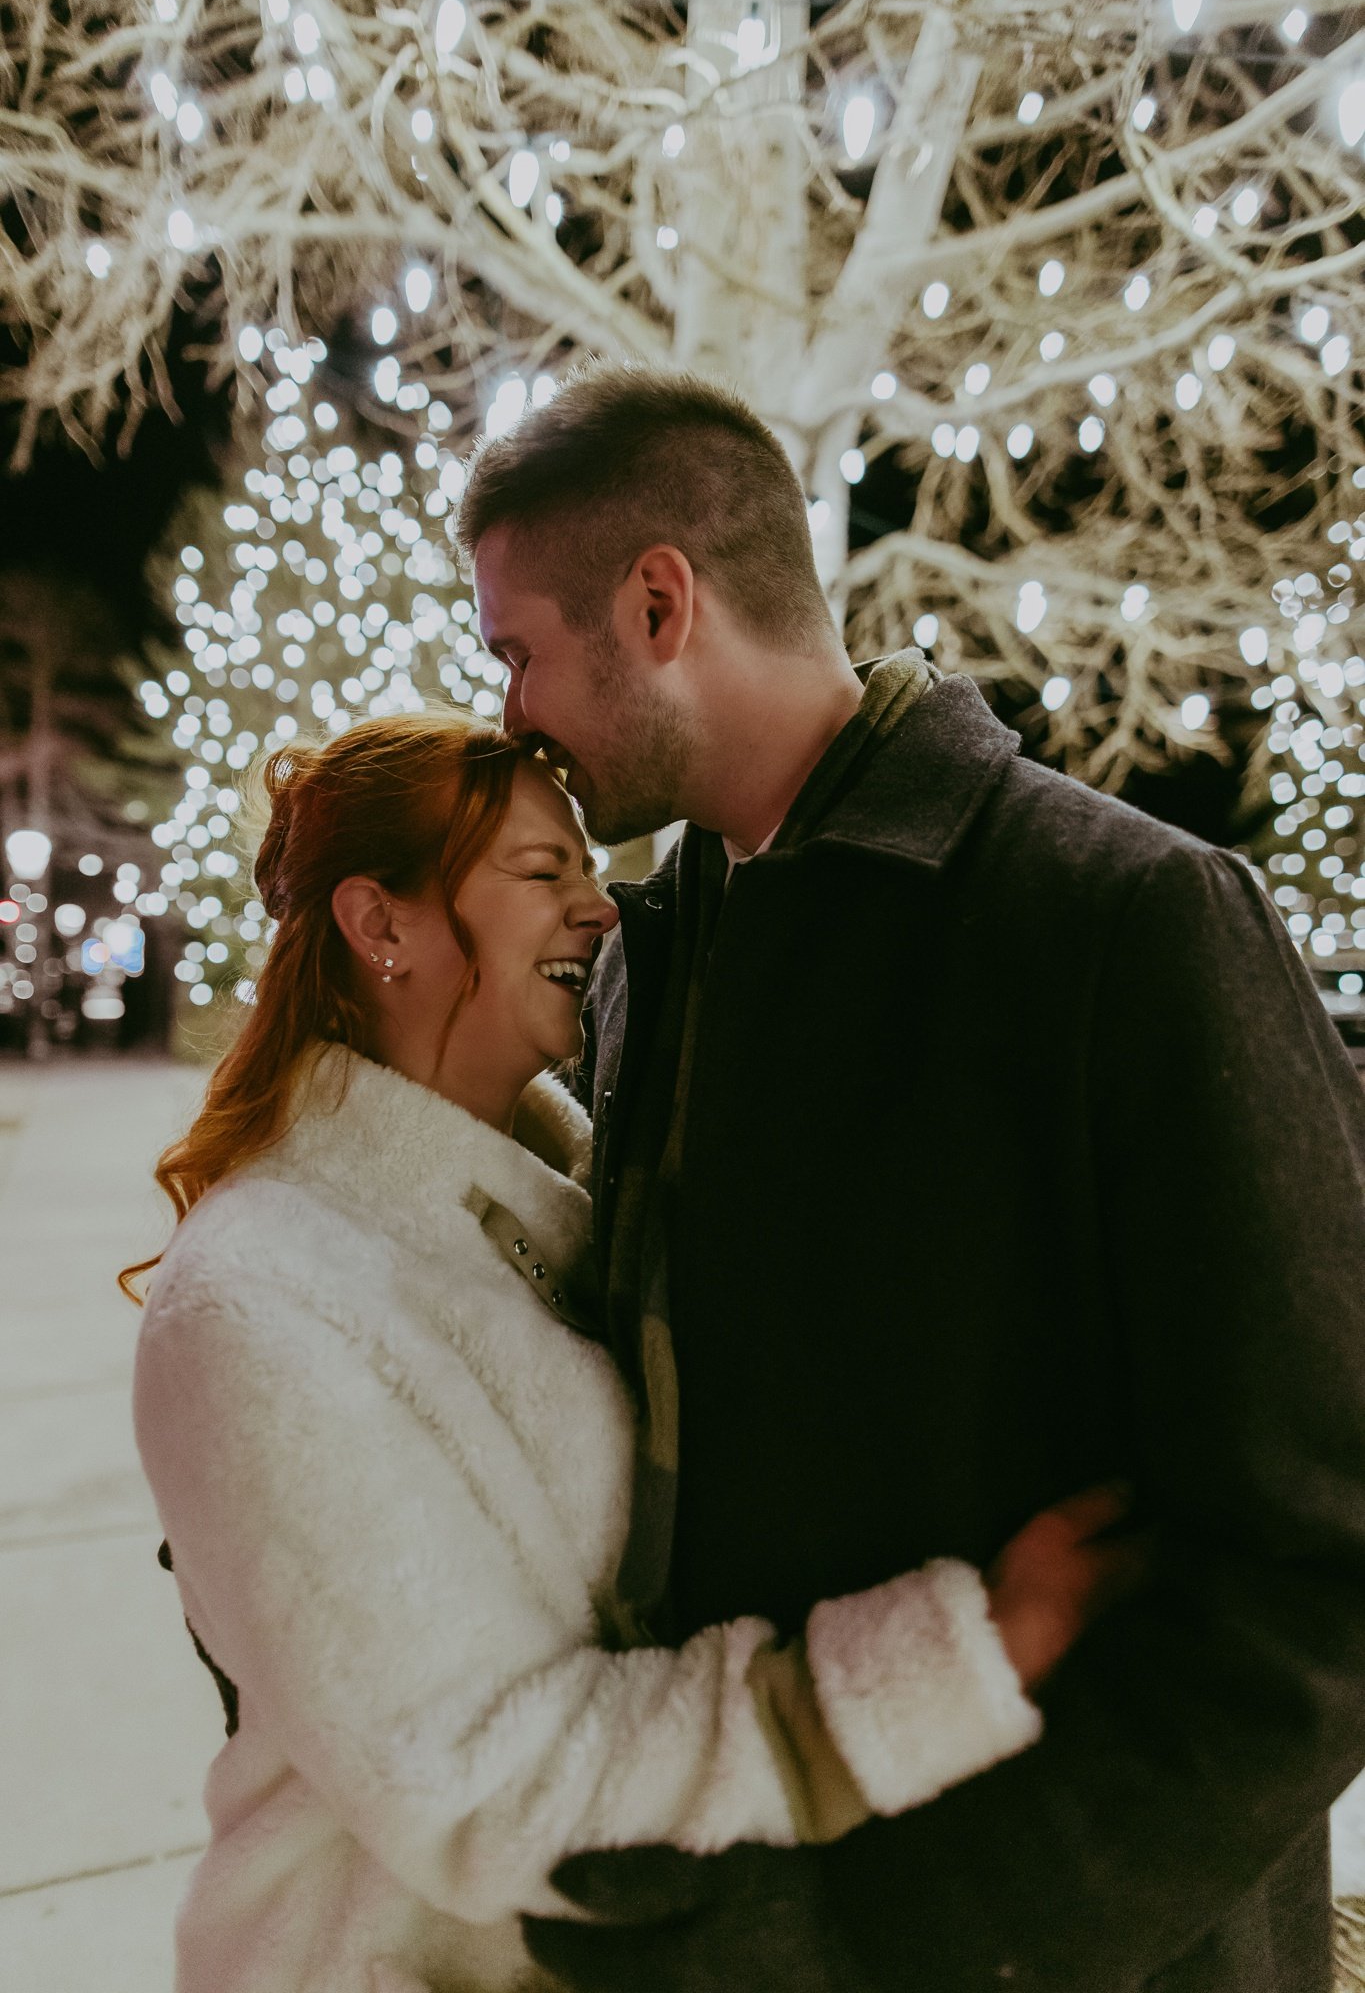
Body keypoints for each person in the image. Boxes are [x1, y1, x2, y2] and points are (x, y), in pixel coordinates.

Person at [458, 363, 1365, 1993]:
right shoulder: (648, 963)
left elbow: (1324, 1565)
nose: (508, 712)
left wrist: (939, 1933)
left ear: (660, 602)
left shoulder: (1122, 924)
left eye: (519, 650)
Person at [128, 710, 1139, 1993]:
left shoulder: (566, 1212)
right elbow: (480, 1776)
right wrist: (965, 1652)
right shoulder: (257, 1301)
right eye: (540, 874)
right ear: (379, 923)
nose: (599, 913)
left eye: (589, 872)